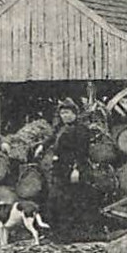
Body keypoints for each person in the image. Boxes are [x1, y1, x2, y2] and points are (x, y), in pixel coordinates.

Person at [40, 98, 93, 242]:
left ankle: (68, 235)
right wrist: (42, 146)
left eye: (68, 113)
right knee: (55, 200)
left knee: (69, 202)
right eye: (63, 113)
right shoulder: (60, 128)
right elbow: (51, 138)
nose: (65, 116)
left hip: (72, 170)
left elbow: (82, 152)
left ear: (75, 114)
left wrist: (77, 169)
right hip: (59, 168)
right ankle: (55, 233)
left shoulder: (81, 130)